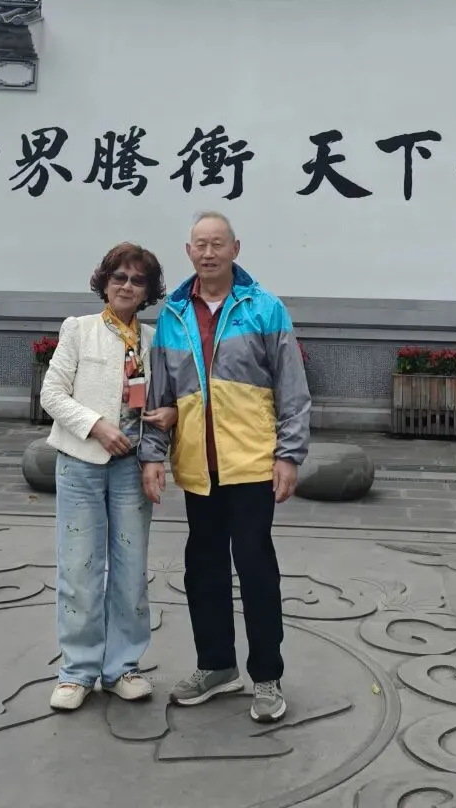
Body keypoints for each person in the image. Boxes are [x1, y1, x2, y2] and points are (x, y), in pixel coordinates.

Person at [140, 212, 310, 724]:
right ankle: (216, 666)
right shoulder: (173, 314)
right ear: (188, 251)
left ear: (235, 248)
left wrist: (288, 454)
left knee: (255, 567)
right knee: (203, 568)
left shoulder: (264, 308)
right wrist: (153, 454)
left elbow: (292, 389)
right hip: (198, 466)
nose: (209, 252)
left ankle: (267, 676)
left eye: (218, 243)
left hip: (252, 463)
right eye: (200, 244)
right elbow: (160, 395)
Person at [40, 241, 177, 711]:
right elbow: (52, 394)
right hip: (81, 462)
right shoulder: (79, 329)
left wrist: (170, 417)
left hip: (132, 467)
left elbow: (169, 398)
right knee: (78, 567)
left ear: (148, 291)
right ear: (105, 281)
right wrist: (96, 426)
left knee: (130, 569)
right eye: (119, 276)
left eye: (138, 280)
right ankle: (76, 671)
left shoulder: (156, 340)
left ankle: (123, 667)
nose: (127, 286)